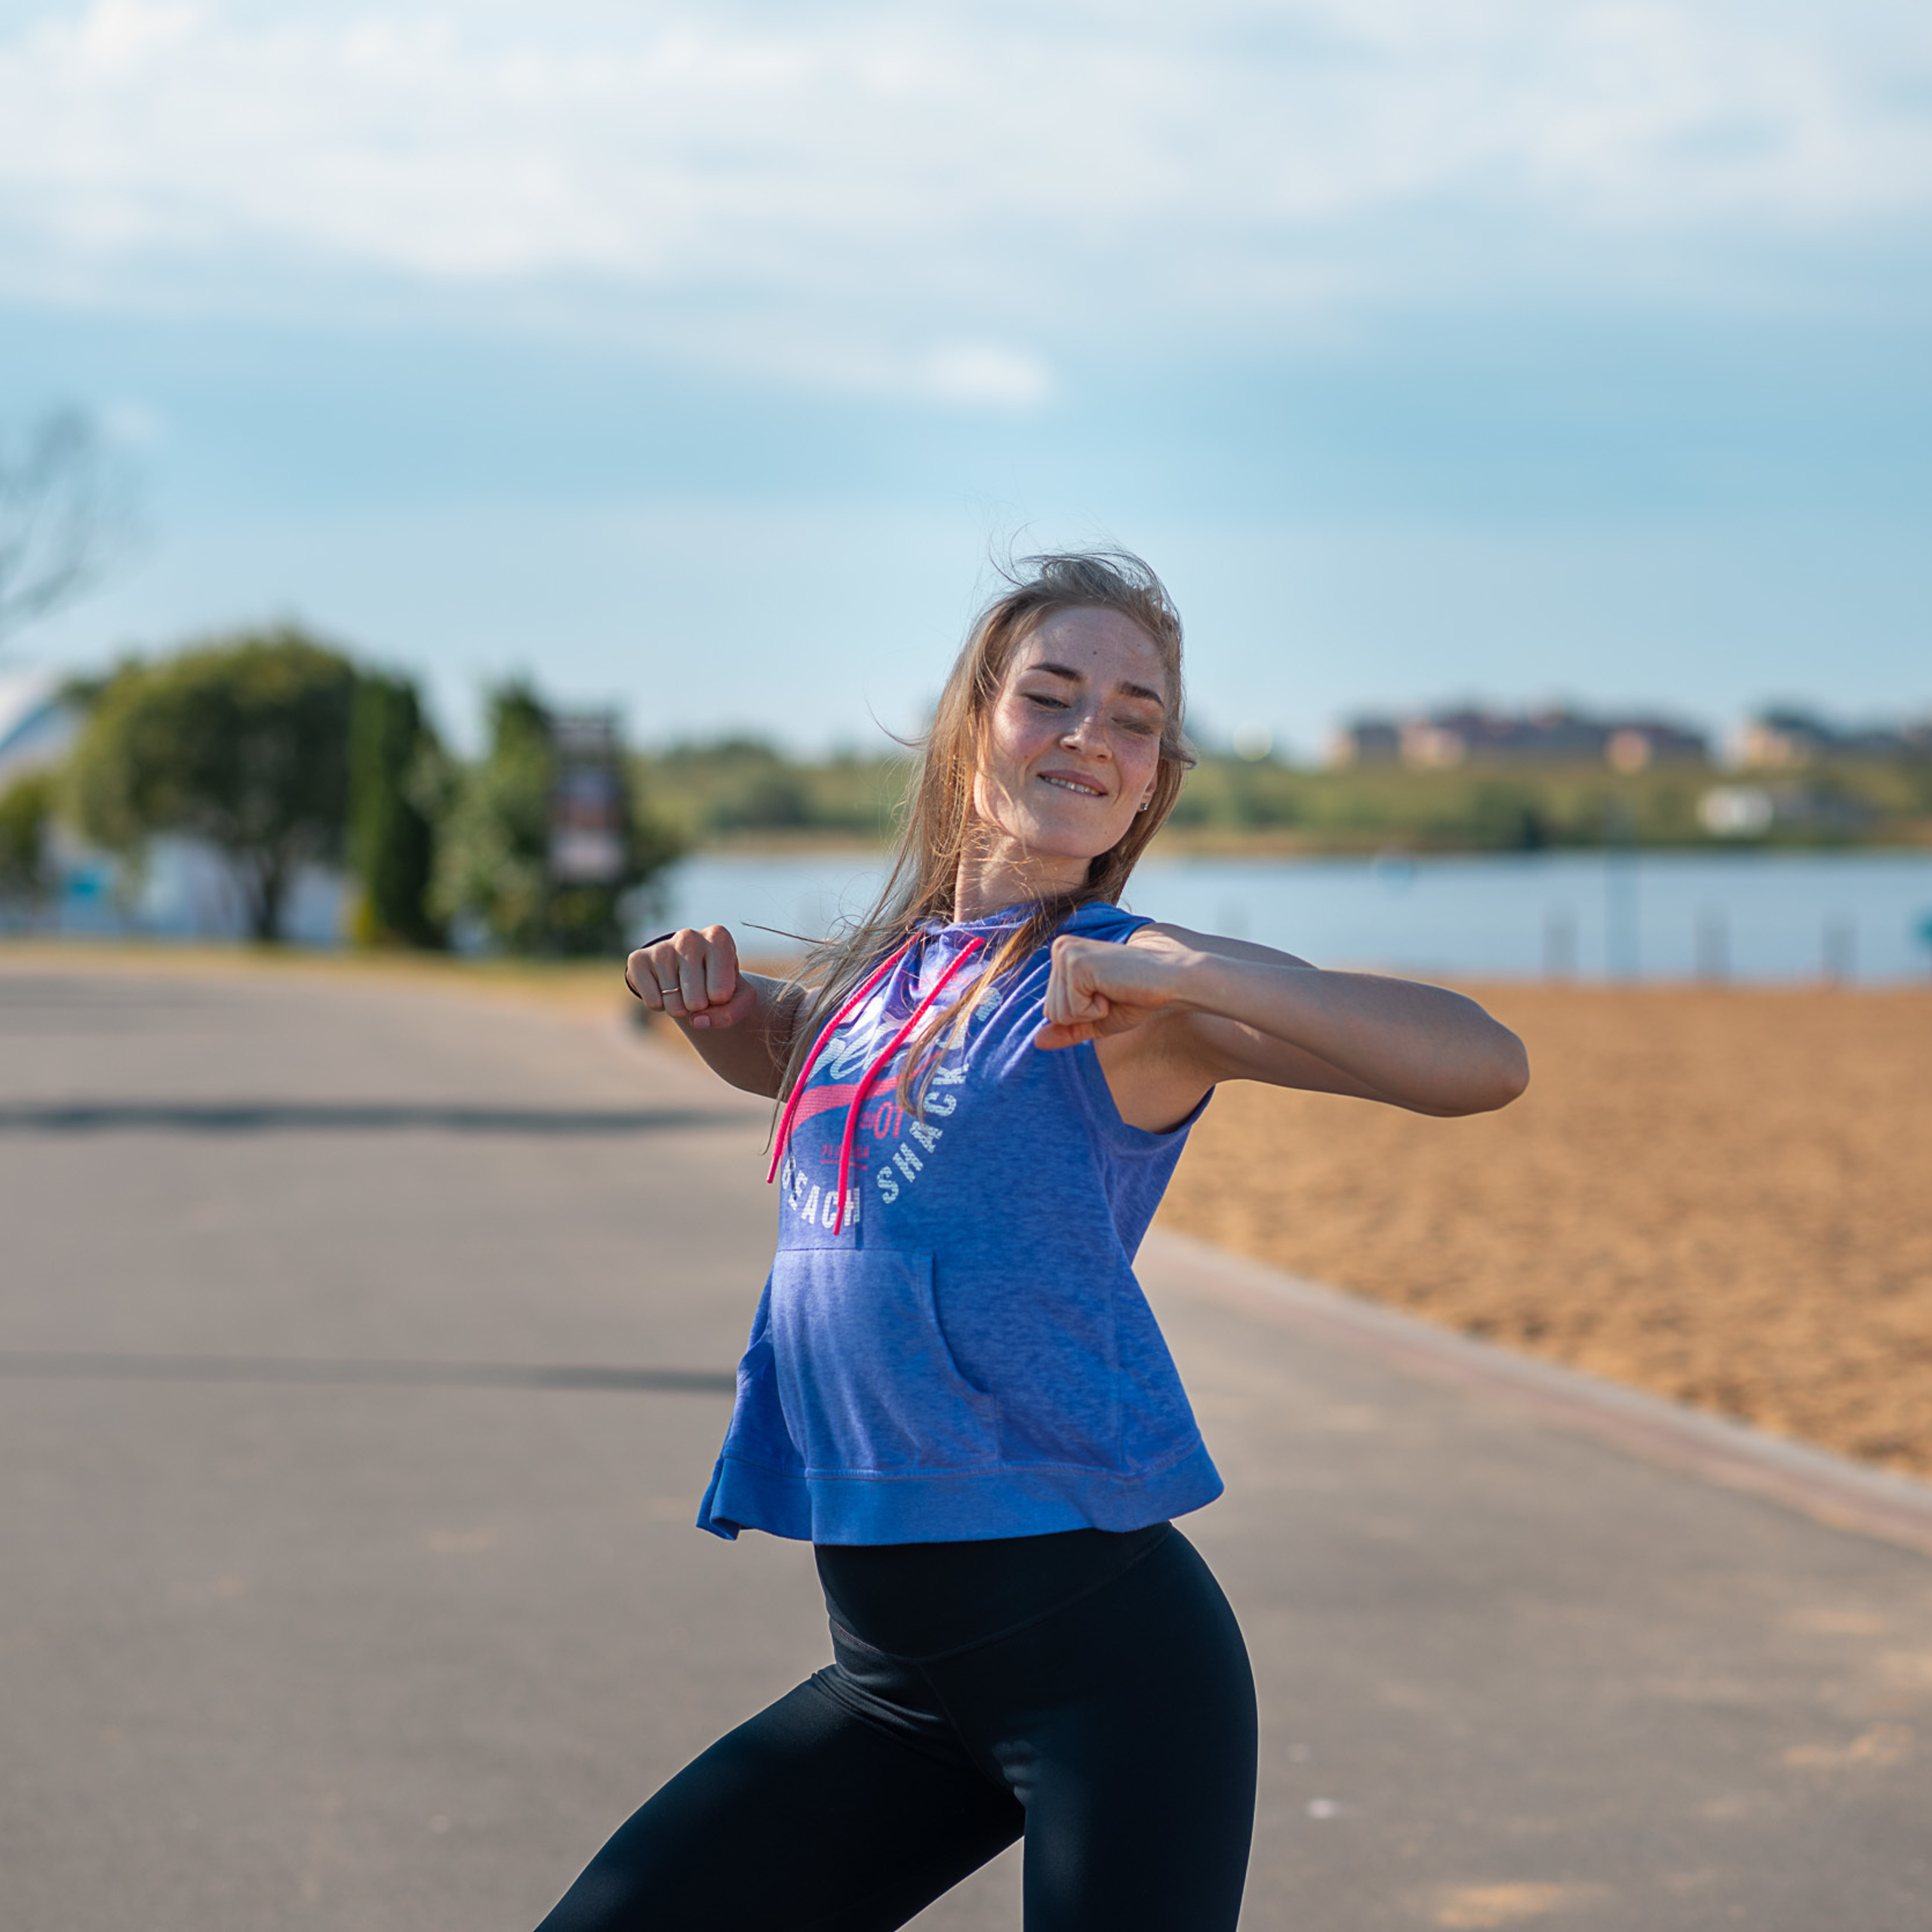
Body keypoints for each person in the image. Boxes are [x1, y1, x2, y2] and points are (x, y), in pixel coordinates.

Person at [537, 552, 1529, 1932]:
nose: (1090, 736)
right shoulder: (883, 980)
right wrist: (715, 1009)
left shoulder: (1137, 987)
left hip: (1102, 1665)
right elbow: (810, 1065)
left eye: (1134, 719)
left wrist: (1192, 967)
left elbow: (1480, 1063)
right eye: (1052, 695)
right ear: (971, 727)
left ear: (1154, 781)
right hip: (897, 1679)